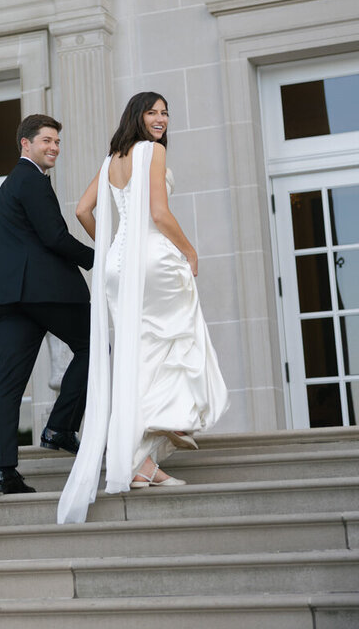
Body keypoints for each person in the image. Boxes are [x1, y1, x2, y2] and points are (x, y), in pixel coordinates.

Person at [57, 92, 228, 523]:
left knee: (143, 351)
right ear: (137, 116)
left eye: (165, 112)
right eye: (152, 112)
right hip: (152, 258)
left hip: (116, 266)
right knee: (179, 339)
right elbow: (158, 211)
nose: (160, 118)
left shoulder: (110, 159)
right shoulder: (152, 151)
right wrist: (189, 250)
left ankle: (142, 462)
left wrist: (115, 247)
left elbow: (82, 210)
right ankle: (171, 419)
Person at [0, 114, 95, 495]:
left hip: (10, 297)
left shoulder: (10, 184)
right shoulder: (31, 179)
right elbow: (54, 236)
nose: (54, 148)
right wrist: (100, 257)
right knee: (95, 346)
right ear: (25, 144)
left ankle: (3, 471)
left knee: (8, 382)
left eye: (57, 142)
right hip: (45, 292)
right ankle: (60, 427)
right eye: (47, 140)